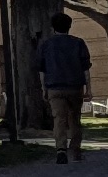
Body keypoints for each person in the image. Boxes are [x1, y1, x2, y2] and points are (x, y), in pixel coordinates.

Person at [33, 11, 94, 164]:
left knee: (59, 119)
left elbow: (42, 70)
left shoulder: (46, 45)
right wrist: (89, 89)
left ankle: (61, 149)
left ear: (53, 28)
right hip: (75, 86)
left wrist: (44, 88)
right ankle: (76, 149)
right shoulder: (78, 43)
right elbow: (85, 68)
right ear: (69, 26)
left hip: (54, 86)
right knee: (75, 118)